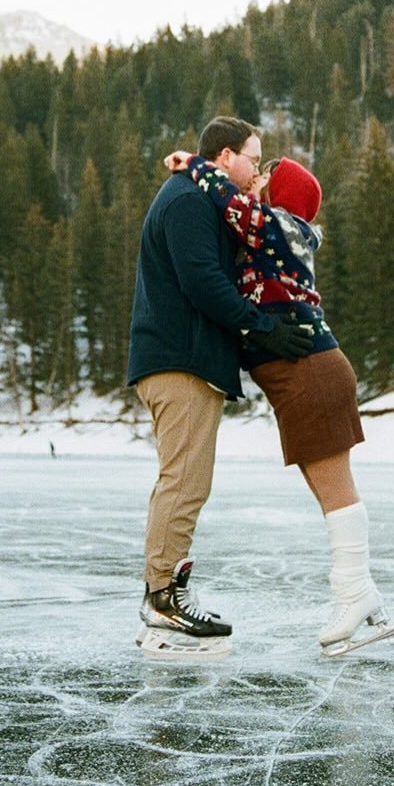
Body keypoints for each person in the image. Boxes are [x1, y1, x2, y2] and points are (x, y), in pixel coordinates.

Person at [163, 147, 394, 656]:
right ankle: (364, 598)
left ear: (280, 196)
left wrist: (199, 165)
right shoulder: (275, 230)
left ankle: (356, 595)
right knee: (326, 487)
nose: (259, 179)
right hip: (304, 375)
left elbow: (232, 204)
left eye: (267, 176)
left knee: (335, 489)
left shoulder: (279, 225)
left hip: (311, 371)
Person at [128, 116, 315, 658]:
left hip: (186, 360)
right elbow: (203, 283)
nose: (258, 167)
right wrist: (264, 329)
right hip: (179, 361)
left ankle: (164, 592)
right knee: (184, 481)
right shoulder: (188, 201)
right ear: (227, 156)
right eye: (255, 158)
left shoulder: (196, 194)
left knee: (188, 480)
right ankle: (162, 599)